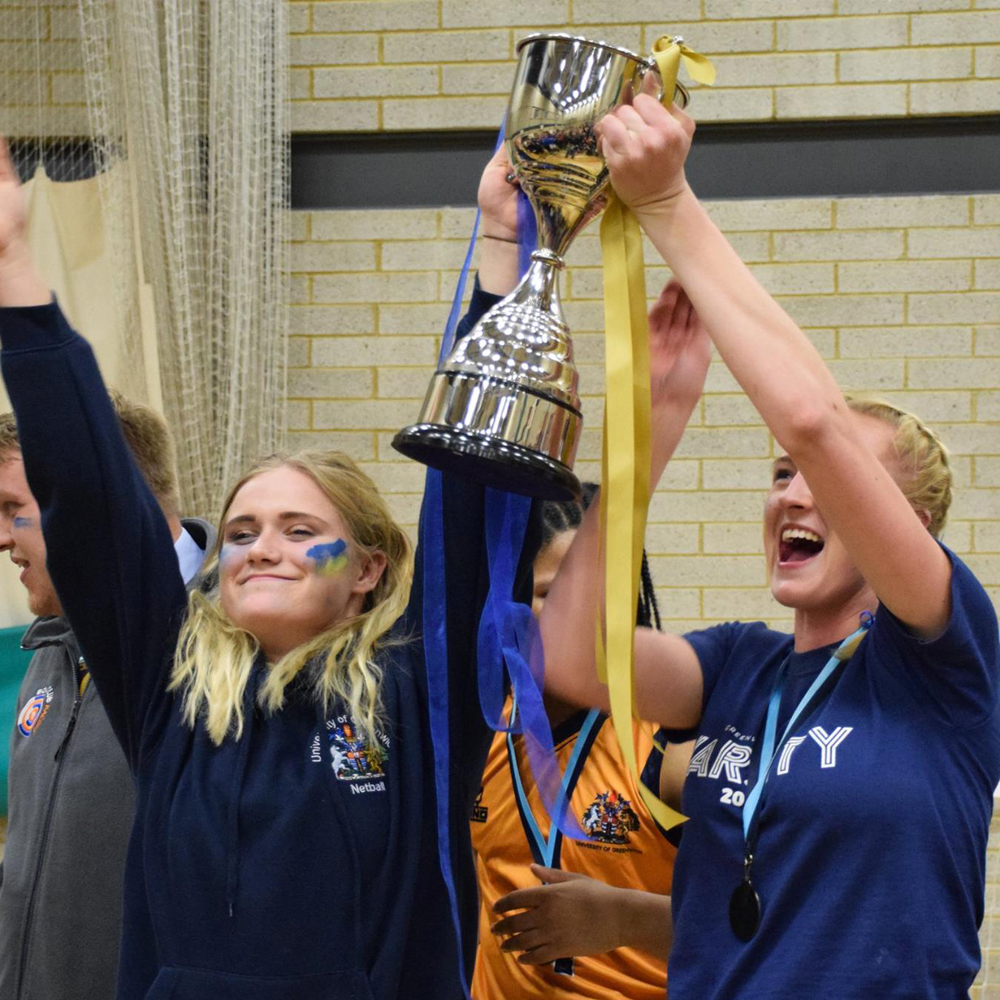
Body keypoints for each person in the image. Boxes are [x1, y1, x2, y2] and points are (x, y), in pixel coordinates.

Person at [0, 136, 539, 1000]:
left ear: (367, 568)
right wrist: (13, 269)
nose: (262, 547)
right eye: (244, 531)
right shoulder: (168, 690)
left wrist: (503, 253)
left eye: (299, 529)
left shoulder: (415, 696)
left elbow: (473, 509)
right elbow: (94, 498)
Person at [538, 84, 1000, 999]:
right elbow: (570, 656)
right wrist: (657, 424)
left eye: (821, 480)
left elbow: (815, 420)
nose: (794, 489)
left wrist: (668, 205)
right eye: (779, 474)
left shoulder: (950, 661)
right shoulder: (738, 669)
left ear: (904, 525)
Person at [0, 397, 212, 1000]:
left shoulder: (236, 649)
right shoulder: (50, 643)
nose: (0, 537)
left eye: (14, 509)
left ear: (103, 496)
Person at [473, 482, 697, 1000]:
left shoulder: (671, 742)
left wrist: (626, 917)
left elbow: (768, 920)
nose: (584, 617)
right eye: (554, 594)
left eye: (601, 595)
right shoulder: (481, 732)